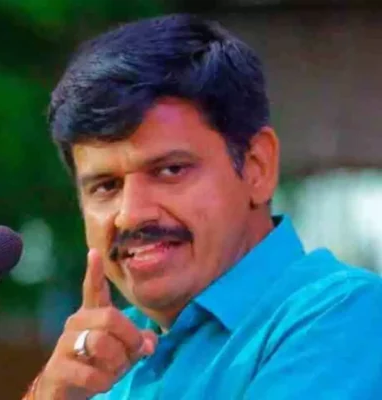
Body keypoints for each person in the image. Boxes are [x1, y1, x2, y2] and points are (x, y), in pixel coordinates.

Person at [22, 13, 382, 399]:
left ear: (257, 167)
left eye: (170, 170)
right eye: (106, 186)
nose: (131, 214)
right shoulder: (103, 359)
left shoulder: (346, 315)